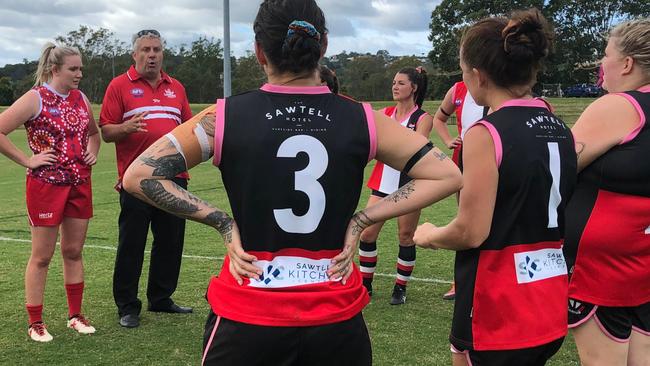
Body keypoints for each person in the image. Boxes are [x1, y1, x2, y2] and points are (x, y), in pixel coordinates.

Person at [122, 0, 462, 364]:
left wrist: (222, 221)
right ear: (324, 46)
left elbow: (139, 175)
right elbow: (447, 174)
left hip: (248, 312)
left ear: (258, 52)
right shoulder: (363, 119)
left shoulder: (224, 117)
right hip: (335, 317)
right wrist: (362, 219)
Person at [414, 8, 577, 366]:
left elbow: (471, 232)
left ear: (478, 75)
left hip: (497, 305)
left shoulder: (486, 134)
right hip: (547, 300)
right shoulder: (561, 128)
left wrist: (429, 234)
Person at [563, 18, 650, 366]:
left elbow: (556, 169)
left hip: (602, 268)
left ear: (627, 64)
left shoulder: (620, 105)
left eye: (605, 55)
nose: (602, 64)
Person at [0, 43, 99, 342]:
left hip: (79, 184)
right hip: (45, 187)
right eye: (73, 69)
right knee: (42, 256)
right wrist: (27, 160)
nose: (79, 74)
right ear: (54, 70)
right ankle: (35, 322)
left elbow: (93, 134)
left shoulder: (81, 98)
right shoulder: (35, 98)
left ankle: (75, 316)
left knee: (73, 251)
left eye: (80, 68)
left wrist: (92, 152)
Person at [99, 29, 193, 329]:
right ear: (134, 54)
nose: (152, 55)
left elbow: (189, 127)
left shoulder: (176, 87)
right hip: (136, 180)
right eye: (146, 50)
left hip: (174, 176)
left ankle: (161, 298)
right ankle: (127, 306)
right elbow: (106, 131)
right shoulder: (119, 86)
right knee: (132, 243)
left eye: (156, 49)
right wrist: (126, 128)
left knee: (170, 241)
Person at [359, 66, 433, 305]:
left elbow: (417, 148)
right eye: (394, 82)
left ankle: (400, 288)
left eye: (401, 83)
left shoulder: (423, 118)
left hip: (409, 184)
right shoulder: (385, 113)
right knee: (367, 233)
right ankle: (365, 285)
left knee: (405, 236)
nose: (395, 86)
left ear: (414, 87)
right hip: (382, 181)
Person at [432, 81, 488, 300]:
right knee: (467, 219)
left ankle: (488, 279)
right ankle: (461, 282)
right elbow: (439, 118)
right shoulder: (457, 89)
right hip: (464, 158)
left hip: (495, 154)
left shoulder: (496, 81)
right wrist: (447, 140)